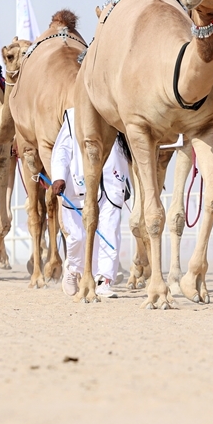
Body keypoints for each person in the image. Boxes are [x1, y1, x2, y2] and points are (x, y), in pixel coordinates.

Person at [50, 108, 131, 298]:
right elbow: (62, 148)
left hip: (112, 181)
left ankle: (104, 280)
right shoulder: (73, 116)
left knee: (110, 231)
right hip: (80, 184)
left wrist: (126, 181)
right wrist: (59, 176)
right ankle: (73, 269)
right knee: (78, 236)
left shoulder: (119, 110)